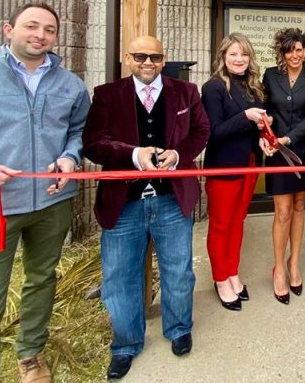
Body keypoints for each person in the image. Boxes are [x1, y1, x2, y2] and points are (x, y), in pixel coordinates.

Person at [83, 36, 209, 380]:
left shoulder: (186, 92)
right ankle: (125, 344)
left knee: (179, 270)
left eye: (155, 56)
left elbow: (201, 131)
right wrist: (133, 154)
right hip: (124, 203)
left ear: (164, 58)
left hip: (172, 199)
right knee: (119, 276)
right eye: (140, 56)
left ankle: (180, 328)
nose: (148, 62)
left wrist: (180, 155)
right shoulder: (107, 95)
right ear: (128, 58)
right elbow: (93, 144)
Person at [0, 2, 90, 383]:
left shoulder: (70, 85)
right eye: (31, 26)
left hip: (50, 203)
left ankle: (30, 353)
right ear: (8, 30)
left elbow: (77, 133)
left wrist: (70, 157)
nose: (40, 35)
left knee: (42, 279)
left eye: (48, 29)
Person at [201, 34, 268, 309]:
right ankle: (220, 279)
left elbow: (254, 128)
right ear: (223, 58)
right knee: (220, 225)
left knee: (238, 222)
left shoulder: (254, 87)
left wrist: (264, 137)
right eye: (233, 55)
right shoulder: (213, 87)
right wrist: (246, 117)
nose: (239, 60)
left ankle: (232, 272)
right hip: (224, 167)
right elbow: (213, 133)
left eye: (244, 55)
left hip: (250, 163)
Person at [262, 28, 305, 304]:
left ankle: (294, 262)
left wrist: (290, 137)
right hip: (276, 151)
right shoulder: (270, 76)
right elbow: (266, 110)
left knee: (299, 207)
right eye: (289, 50)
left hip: (304, 150)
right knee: (283, 211)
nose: (295, 55)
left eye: (299, 49)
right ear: (282, 53)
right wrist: (268, 131)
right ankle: (278, 267)